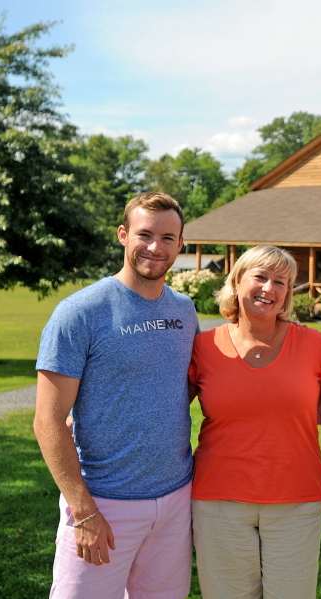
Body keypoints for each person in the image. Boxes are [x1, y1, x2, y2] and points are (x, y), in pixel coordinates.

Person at [34, 192, 198, 598]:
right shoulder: (80, 312)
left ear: (180, 244)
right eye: (145, 234)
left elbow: (184, 383)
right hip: (103, 503)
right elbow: (47, 421)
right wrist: (83, 511)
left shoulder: (184, 309)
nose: (155, 247)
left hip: (175, 499)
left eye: (167, 238)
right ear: (123, 235)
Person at [188, 244, 321, 599]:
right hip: (219, 502)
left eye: (281, 282)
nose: (269, 288)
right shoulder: (204, 346)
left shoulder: (311, 343)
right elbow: (163, 408)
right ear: (236, 282)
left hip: (296, 500)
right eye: (260, 277)